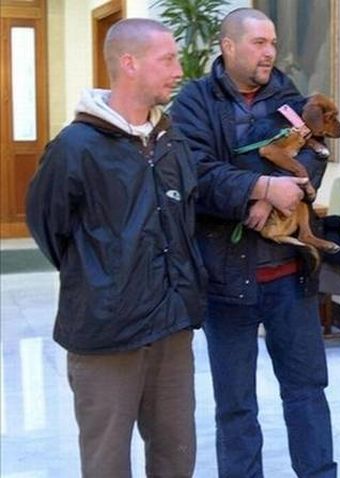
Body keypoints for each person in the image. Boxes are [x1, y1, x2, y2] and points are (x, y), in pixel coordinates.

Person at [25, 18, 205, 477]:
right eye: (166, 59)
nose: (178, 68)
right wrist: (105, 281)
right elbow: (51, 229)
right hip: (106, 336)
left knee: (176, 457)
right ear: (129, 63)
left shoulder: (173, 140)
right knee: (107, 465)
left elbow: (185, 217)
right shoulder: (75, 147)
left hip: (171, 327)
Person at [169, 8, 336, 478]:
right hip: (226, 281)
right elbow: (194, 173)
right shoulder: (194, 103)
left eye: (273, 43)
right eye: (259, 43)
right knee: (236, 406)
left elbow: (315, 159)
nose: (269, 53)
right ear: (228, 46)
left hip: (290, 278)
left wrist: (287, 191)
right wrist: (258, 191)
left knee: (307, 392)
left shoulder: (290, 97)